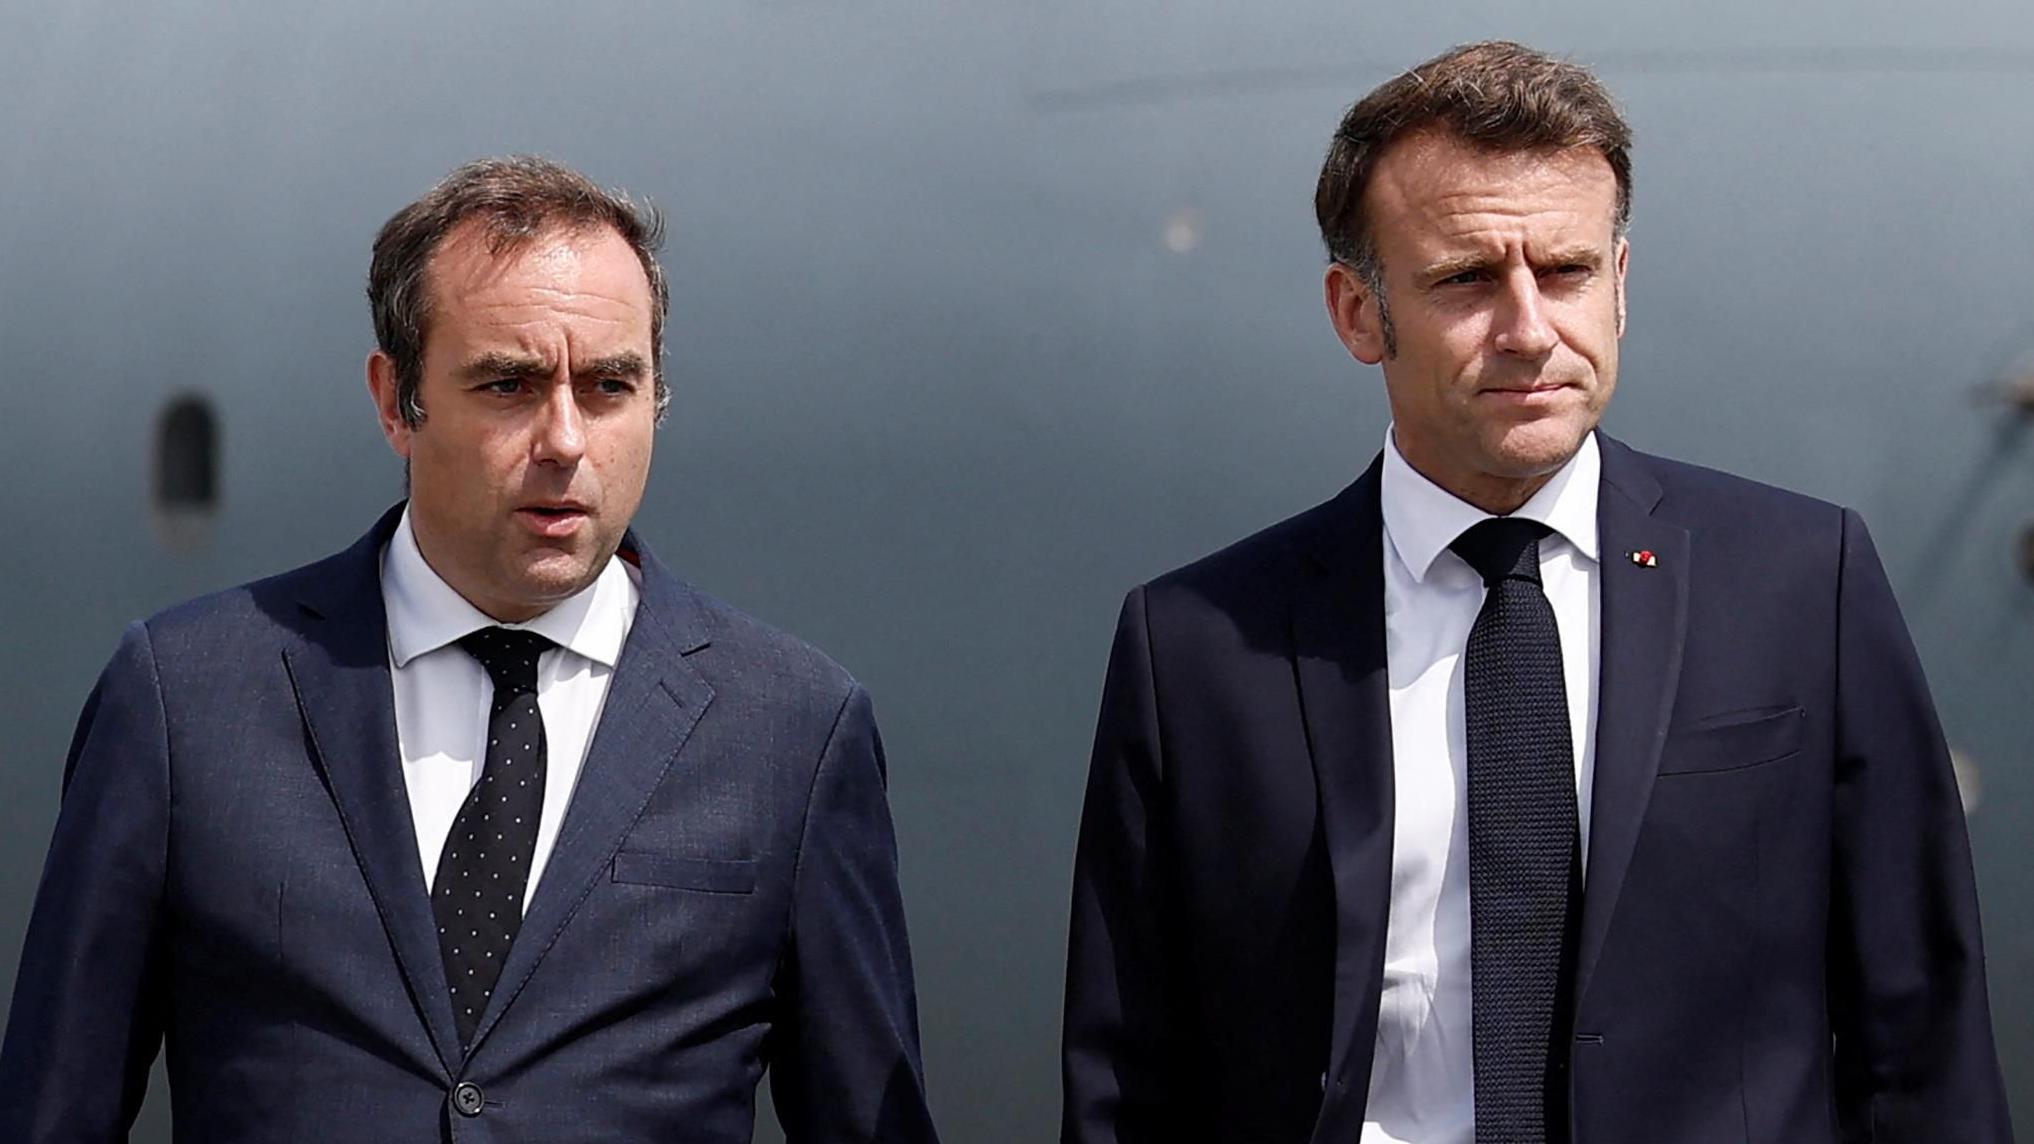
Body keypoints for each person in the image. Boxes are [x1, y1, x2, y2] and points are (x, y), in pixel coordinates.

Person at [1061, 41, 2012, 1144]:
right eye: (1467, 279)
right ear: (1358, 313)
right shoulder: (1199, 648)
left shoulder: (1802, 582)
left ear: (1620, 283)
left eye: (1565, 272)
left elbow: (1923, 1035)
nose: (1529, 331)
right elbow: (1131, 1078)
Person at [0, 156, 939, 1143]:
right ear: (395, 400)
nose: (566, 440)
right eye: (509, 384)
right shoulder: (187, 698)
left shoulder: (790, 730)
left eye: (610, 386)